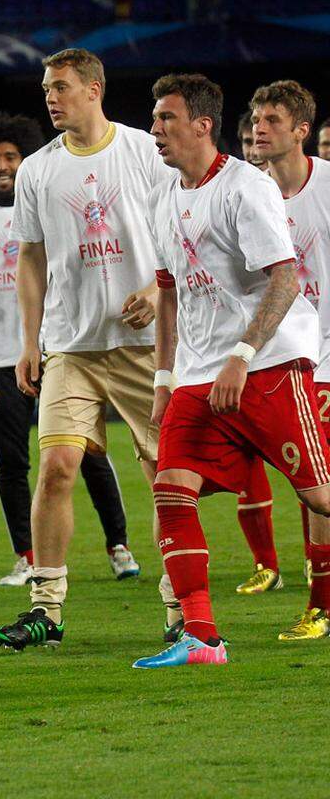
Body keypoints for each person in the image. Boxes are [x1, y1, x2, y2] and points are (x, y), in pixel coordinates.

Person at [135, 72, 330, 668]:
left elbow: (284, 276)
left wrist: (242, 357)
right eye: (154, 116)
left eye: (167, 118)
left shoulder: (246, 188)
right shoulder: (165, 194)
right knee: (170, 490)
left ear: (203, 124)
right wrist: (165, 378)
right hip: (198, 377)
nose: (155, 129)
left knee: (320, 499)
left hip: (267, 366)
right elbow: (168, 291)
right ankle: (202, 638)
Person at [0, 48, 172, 652]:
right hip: (71, 344)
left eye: (61, 86)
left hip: (145, 345)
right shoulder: (38, 169)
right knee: (57, 467)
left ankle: (181, 605)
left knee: (162, 477)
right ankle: (46, 609)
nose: (50, 96)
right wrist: (28, 341)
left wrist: (154, 287)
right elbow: (31, 258)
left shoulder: (145, 150)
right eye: (47, 87)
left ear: (94, 89)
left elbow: (180, 227)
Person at [0, 113, 140, 587]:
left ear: (26, 158)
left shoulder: (49, 194)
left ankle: (118, 545)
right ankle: (26, 556)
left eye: (10, 156)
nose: (1, 165)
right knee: (12, 463)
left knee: (87, 453)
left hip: (60, 346)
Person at [235, 80, 330, 640]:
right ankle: (275, 568)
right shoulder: (247, 192)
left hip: (327, 356)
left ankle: (320, 603)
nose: (258, 128)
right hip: (278, 356)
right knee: (301, 480)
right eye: (255, 118)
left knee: (316, 480)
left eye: (272, 119)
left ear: (300, 130)